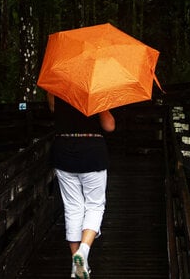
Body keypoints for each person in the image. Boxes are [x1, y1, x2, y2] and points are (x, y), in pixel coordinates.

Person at [47, 92, 115, 279]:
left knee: (73, 208)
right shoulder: (95, 91)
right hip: (92, 152)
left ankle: (76, 265)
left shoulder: (58, 88)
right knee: (94, 205)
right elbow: (109, 126)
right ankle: (83, 252)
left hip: (63, 151)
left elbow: (53, 108)